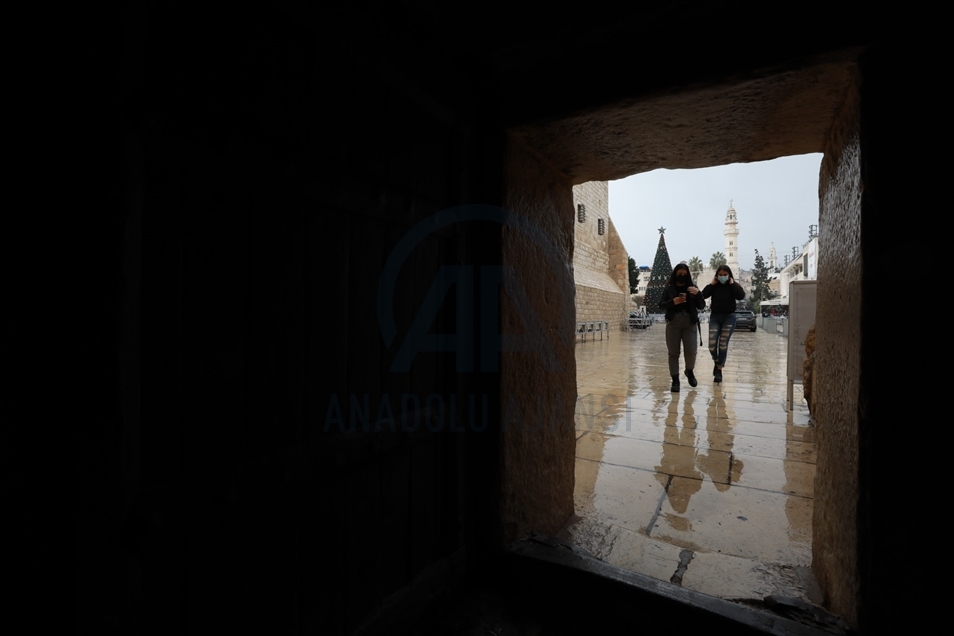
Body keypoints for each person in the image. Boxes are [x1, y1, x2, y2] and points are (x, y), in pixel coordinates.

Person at [660, 264, 706, 392]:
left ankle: (689, 371)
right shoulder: (669, 289)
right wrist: (673, 302)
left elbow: (702, 306)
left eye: (684, 274)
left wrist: (698, 294)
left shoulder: (693, 288)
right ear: (675, 274)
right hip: (673, 322)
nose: (682, 276)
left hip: (689, 323)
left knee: (691, 351)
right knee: (673, 353)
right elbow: (661, 305)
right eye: (679, 274)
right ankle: (675, 380)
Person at [702, 265, 746, 382]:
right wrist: (711, 284)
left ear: (729, 275)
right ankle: (717, 362)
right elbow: (703, 295)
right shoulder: (714, 286)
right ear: (717, 275)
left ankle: (719, 370)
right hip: (715, 317)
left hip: (729, 318)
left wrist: (732, 284)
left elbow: (741, 296)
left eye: (724, 275)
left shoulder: (733, 286)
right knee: (712, 345)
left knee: (723, 344)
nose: (722, 277)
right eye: (720, 275)